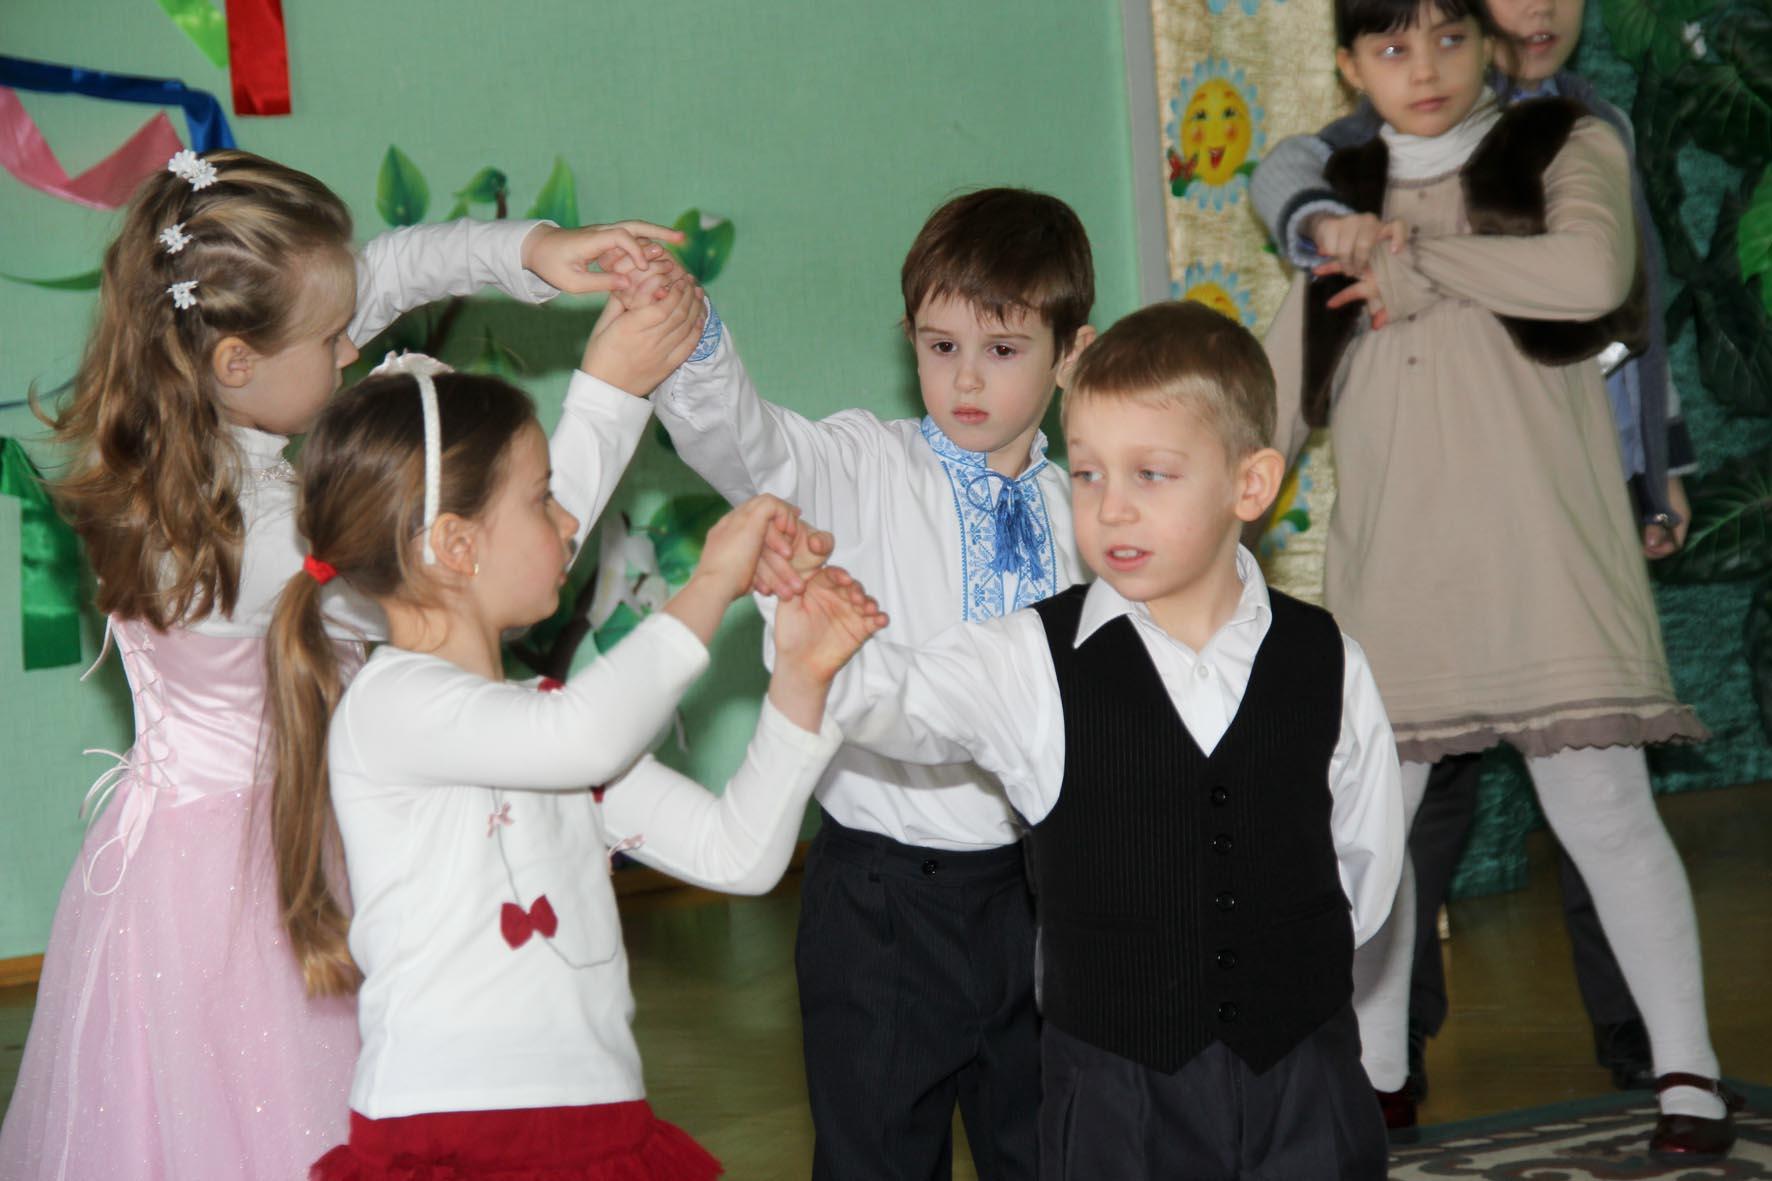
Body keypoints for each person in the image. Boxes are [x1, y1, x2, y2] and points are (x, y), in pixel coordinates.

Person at [0, 146, 691, 1180]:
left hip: (163, 866)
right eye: (333, 340)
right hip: (252, 888)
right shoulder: (267, 535)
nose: (353, 346)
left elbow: (389, 271)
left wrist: (536, 250)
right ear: (237, 361)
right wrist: (610, 393)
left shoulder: (168, 434)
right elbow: (486, 559)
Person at [1260, 0, 1736, 1158]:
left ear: (1486, 43)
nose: (1421, 67)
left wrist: (1414, 263)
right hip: (1399, 575)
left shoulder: (1561, 142)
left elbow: (1588, 270)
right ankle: (1374, 1076)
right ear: (1347, 65)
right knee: (1373, 832)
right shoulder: (1337, 205)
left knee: (1605, 814)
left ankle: (1687, 1074)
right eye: (1389, 46)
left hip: (1547, 559)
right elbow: (1269, 397)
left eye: (1445, 37)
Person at [806, 300, 1404, 1180]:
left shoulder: (1327, 658)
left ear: (1250, 484)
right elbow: (896, 701)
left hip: (1305, 1086)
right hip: (1121, 1102)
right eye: (1086, 474)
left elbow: (1365, 865)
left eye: (1151, 474)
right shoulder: (1029, 659)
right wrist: (815, 638)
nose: (1112, 509)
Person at [265, 355, 887, 1178]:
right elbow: (584, 735)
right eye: (542, 498)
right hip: (450, 1138)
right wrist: (710, 581)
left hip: (597, 1128)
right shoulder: (390, 705)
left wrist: (801, 680)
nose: (568, 524)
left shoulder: (550, 722)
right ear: (456, 544)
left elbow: (736, 853)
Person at [651, 187, 1097, 1179]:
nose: (965, 377)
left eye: (1002, 348)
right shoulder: (861, 461)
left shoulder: (1088, 511)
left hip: (1043, 897)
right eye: (941, 346)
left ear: (1070, 353)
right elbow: (747, 445)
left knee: (1052, 1148)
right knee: (875, 1156)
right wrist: (692, 337)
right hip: (882, 901)